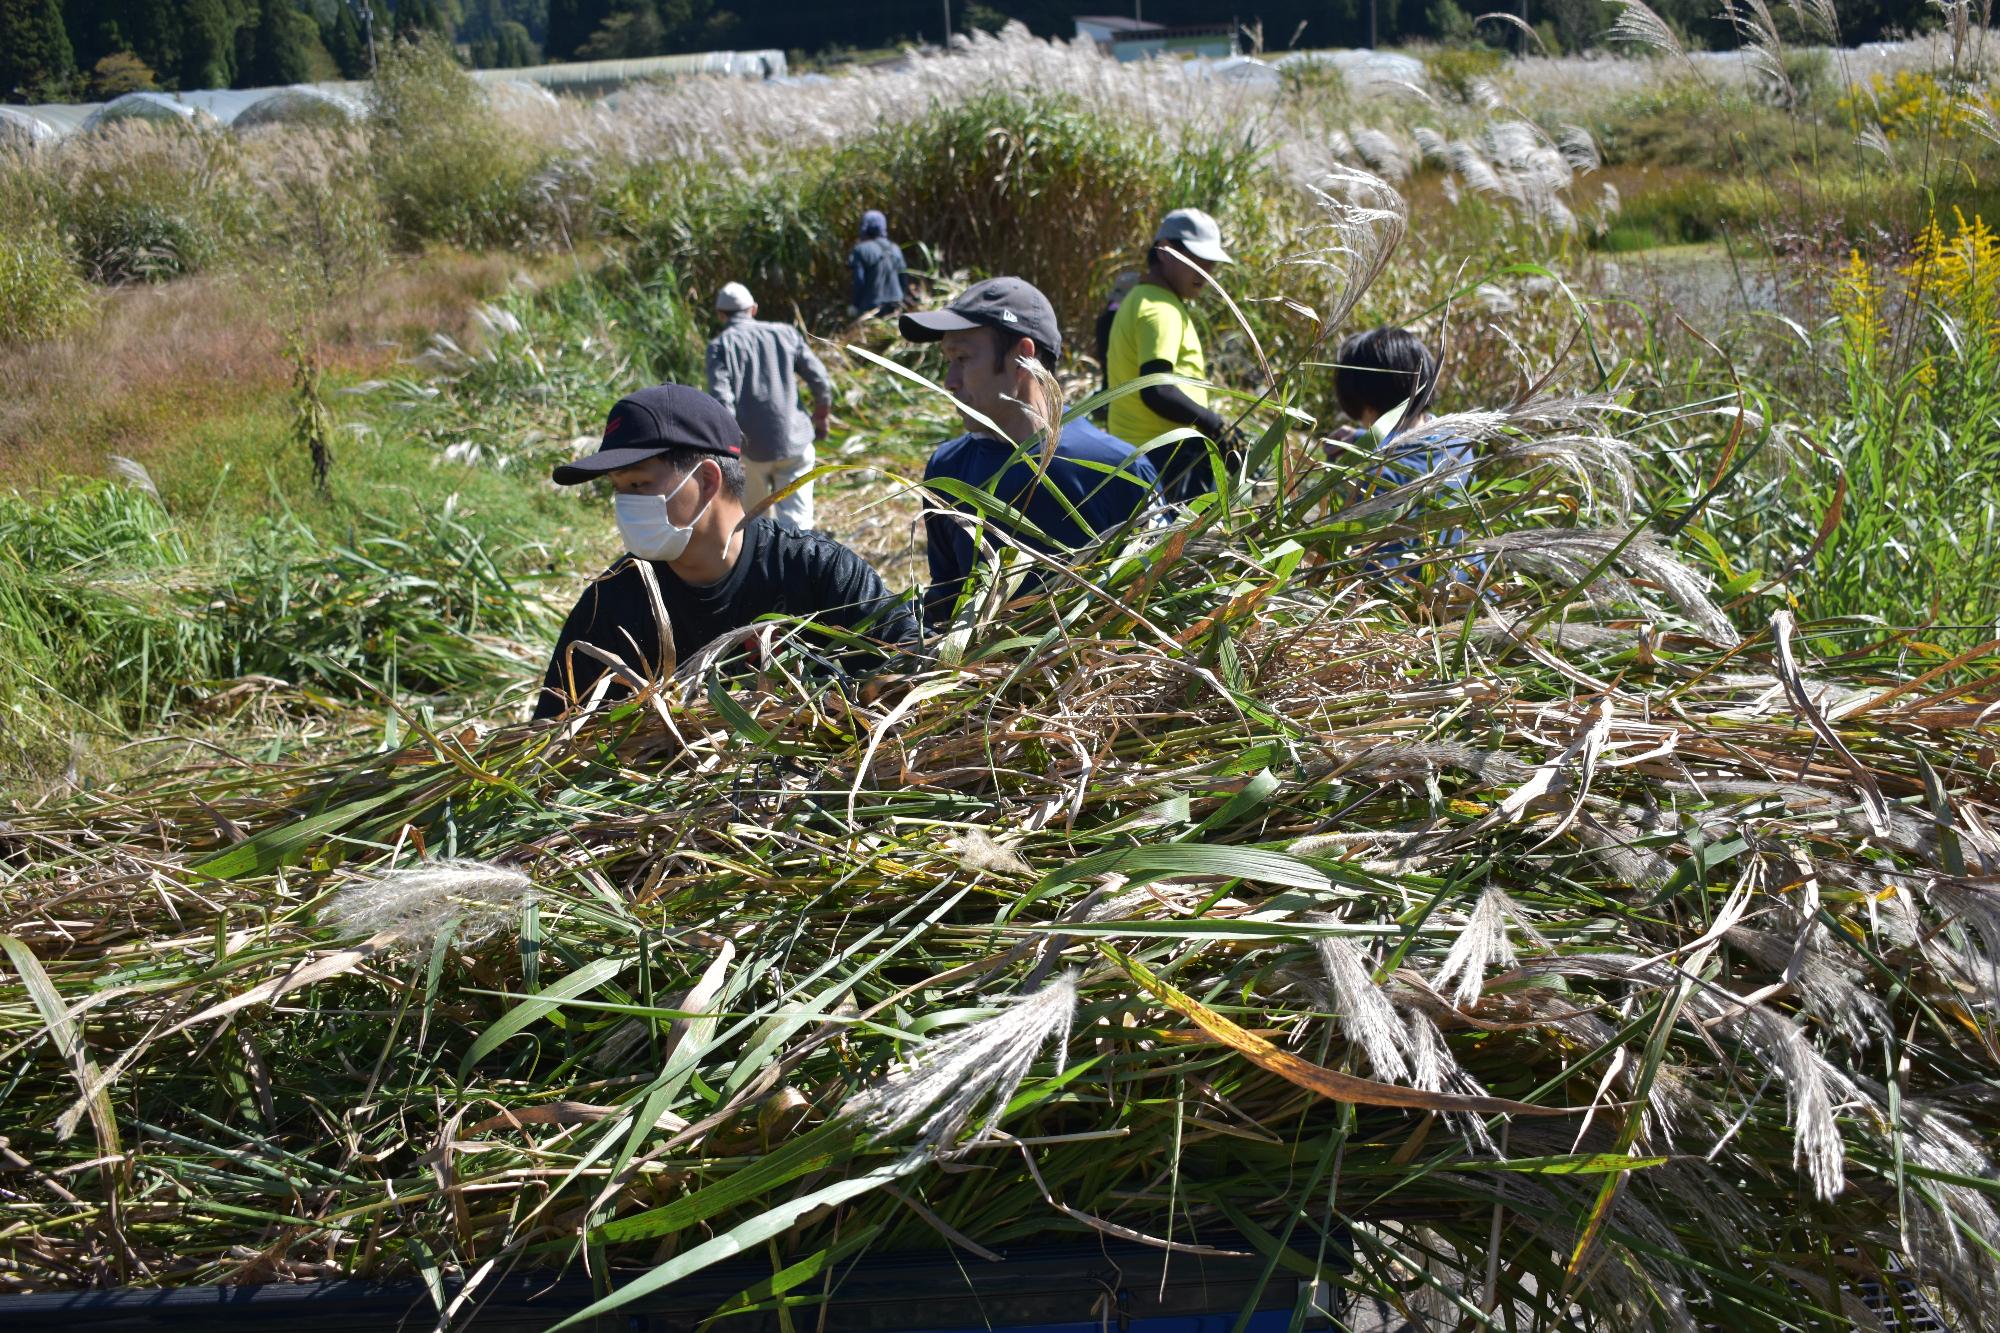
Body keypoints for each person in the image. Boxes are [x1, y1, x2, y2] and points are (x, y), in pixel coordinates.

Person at [534, 385, 918, 720]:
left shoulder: (820, 573)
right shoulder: (612, 602)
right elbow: (554, 734)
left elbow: (919, 676)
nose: (625, 505)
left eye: (638, 483)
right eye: (618, 489)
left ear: (705, 481)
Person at [900, 276, 1160, 630]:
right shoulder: (949, 471)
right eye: (948, 359)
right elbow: (945, 605)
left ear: (1023, 357)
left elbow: (1161, 599)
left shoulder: (1117, 469)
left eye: (961, 358)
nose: (950, 381)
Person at [1103, 207, 1244, 503]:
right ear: (1165, 251)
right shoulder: (1160, 309)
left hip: (1139, 455)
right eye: (1196, 258)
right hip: (1165, 460)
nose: (1206, 270)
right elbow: (1156, 390)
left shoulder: (1139, 300)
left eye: (1211, 262)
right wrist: (1215, 424)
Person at [1329, 325, 1479, 573]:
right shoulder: (1456, 437)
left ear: (1364, 403)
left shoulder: (1381, 482)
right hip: (1464, 578)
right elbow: (1412, 443)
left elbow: (1371, 576)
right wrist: (1361, 438)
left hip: (1418, 605)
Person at [705, 281, 832, 530]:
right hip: (795, 442)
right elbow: (819, 378)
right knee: (798, 523)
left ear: (720, 315)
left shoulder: (719, 347)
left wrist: (730, 451)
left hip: (751, 450)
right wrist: (821, 414)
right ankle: (799, 563)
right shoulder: (785, 333)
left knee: (756, 522)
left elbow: (722, 400)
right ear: (753, 309)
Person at [848, 209, 908, 318]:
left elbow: (859, 281)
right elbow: (903, 278)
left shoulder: (860, 250)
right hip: (896, 307)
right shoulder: (895, 248)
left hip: (871, 309)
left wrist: (855, 305)